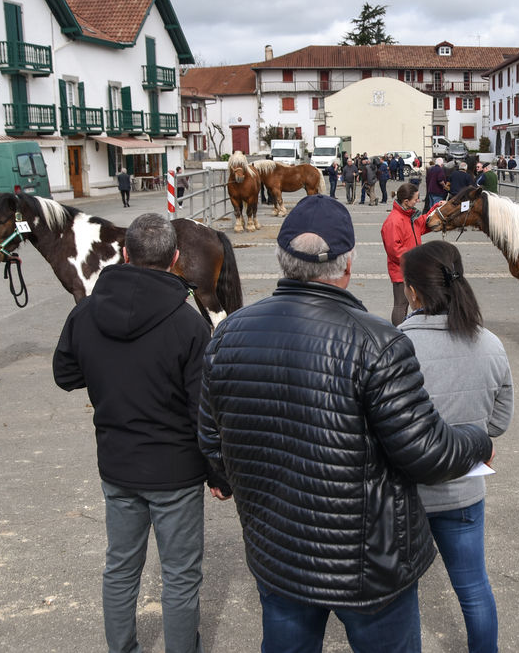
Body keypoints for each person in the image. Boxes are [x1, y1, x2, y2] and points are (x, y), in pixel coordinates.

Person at [198, 194, 494, 653]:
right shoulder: (379, 341)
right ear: (348, 266)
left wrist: (236, 481)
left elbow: (212, 440)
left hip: (277, 551)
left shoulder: (228, 335)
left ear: (282, 262)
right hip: (369, 563)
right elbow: (426, 452)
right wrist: (477, 441)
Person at [53, 213, 230, 653]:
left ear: (126, 254)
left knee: (120, 568)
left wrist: (108, 375)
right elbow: (202, 409)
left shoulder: (87, 311)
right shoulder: (190, 324)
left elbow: (65, 374)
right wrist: (219, 472)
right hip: (176, 470)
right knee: (181, 574)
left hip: (117, 462)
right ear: (175, 259)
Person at [399, 240, 514, 653]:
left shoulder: (395, 345)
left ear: (412, 291)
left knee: (401, 593)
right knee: (474, 588)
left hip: (406, 492)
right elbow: (499, 421)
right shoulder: (489, 343)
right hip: (465, 488)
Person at [381, 183, 429, 325]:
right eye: (416, 198)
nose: (418, 201)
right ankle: (399, 334)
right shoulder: (394, 220)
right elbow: (394, 250)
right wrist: (414, 261)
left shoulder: (408, 215)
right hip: (401, 269)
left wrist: (437, 208)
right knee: (401, 304)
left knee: (409, 303)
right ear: (406, 201)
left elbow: (423, 224)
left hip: (411, 267)